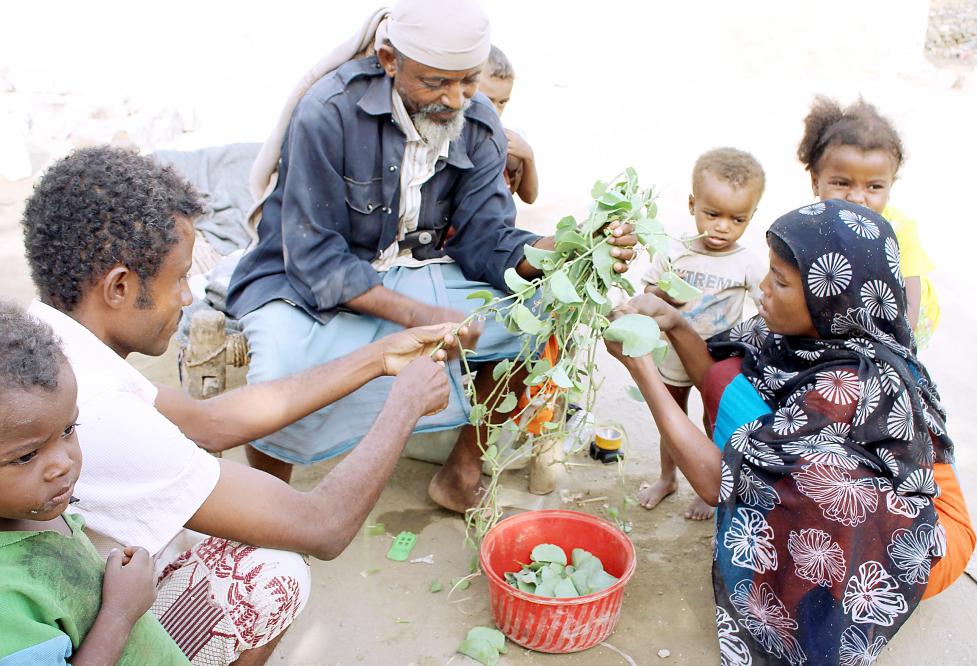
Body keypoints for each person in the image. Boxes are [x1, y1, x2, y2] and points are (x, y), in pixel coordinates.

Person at [21, 146, 460, 665]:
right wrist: (403, 404)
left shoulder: (43, 347)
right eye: (179, 278)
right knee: (271, 574)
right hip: (90, 627)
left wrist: (379, 358)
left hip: (81, 592)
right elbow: (321, 526)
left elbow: (212, 423)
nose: (188, 297)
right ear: (119, 287)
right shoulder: (97, 412)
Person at [226, 0, 637, 512]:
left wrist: (571, 247)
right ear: (388, 59)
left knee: (543, 312)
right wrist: (422, 317)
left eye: (468, 81)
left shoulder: (479, 120)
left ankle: (460, 472)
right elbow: (315, 259)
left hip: (415, 269)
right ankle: (271, 506)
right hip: (302, 279)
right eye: (437, 82)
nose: (455, 98)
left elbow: (486, 240)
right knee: (279, 377)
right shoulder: (329, 111)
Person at [607, 200, 974, 663]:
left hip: (922, 540)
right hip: (874, 508)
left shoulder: (851, 386)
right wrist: (676, 323)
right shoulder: (815, 331)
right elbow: (717, 379)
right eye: (769, 272)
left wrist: (642, 367)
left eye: (779, 281)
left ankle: (827, 599)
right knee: (732, 378)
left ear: (829, 295)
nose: (762, 288)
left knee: (814, 481)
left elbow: (715, 481)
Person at [0, 302, 188, 665]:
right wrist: (119, 612)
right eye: (26, 456)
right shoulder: (6, 600)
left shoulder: (38, 507)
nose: (63, 463)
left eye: (69, 430)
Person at [637, 147, 766, 520]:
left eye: (736, 219)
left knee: (716, 426)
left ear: (751, 216)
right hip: (672, 357)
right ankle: (667, 478)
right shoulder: (674, 253)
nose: (722, 226)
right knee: (671, 420)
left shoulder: (746, 264)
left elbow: (767, 310)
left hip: (718, 364)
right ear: (692, 204)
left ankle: (712, 485)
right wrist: (661, 294)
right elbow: (647, 294)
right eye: (712, 214)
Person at [798, 95, 939, 350]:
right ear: (816, 181)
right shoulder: (809, 223)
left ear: (890, 186)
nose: (857, 198)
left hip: (903, 315)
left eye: (874, 187)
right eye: (842, 183)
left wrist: (897, 350)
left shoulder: (899, 231)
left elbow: (910, 308)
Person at [477, 45, 538, 203]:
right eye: (487, 101)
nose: (495, 111)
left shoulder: (510, 140)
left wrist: (528, 156)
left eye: (502, 102)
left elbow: (529, 197)